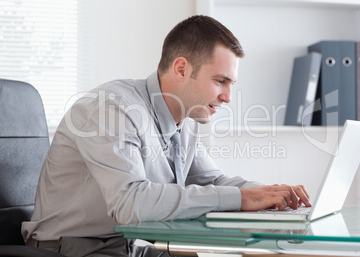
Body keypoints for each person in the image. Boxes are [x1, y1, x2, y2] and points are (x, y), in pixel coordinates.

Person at [22, 15, 311, 256]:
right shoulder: (112, 108)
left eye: (231, 83)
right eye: (220, 81)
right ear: (182, 68)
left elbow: (212, 182)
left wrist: (271, 196)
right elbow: (130, 204)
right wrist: (240, 198)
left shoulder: (186, 117)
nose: (228, 97)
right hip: (70, 249)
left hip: (126, 246)